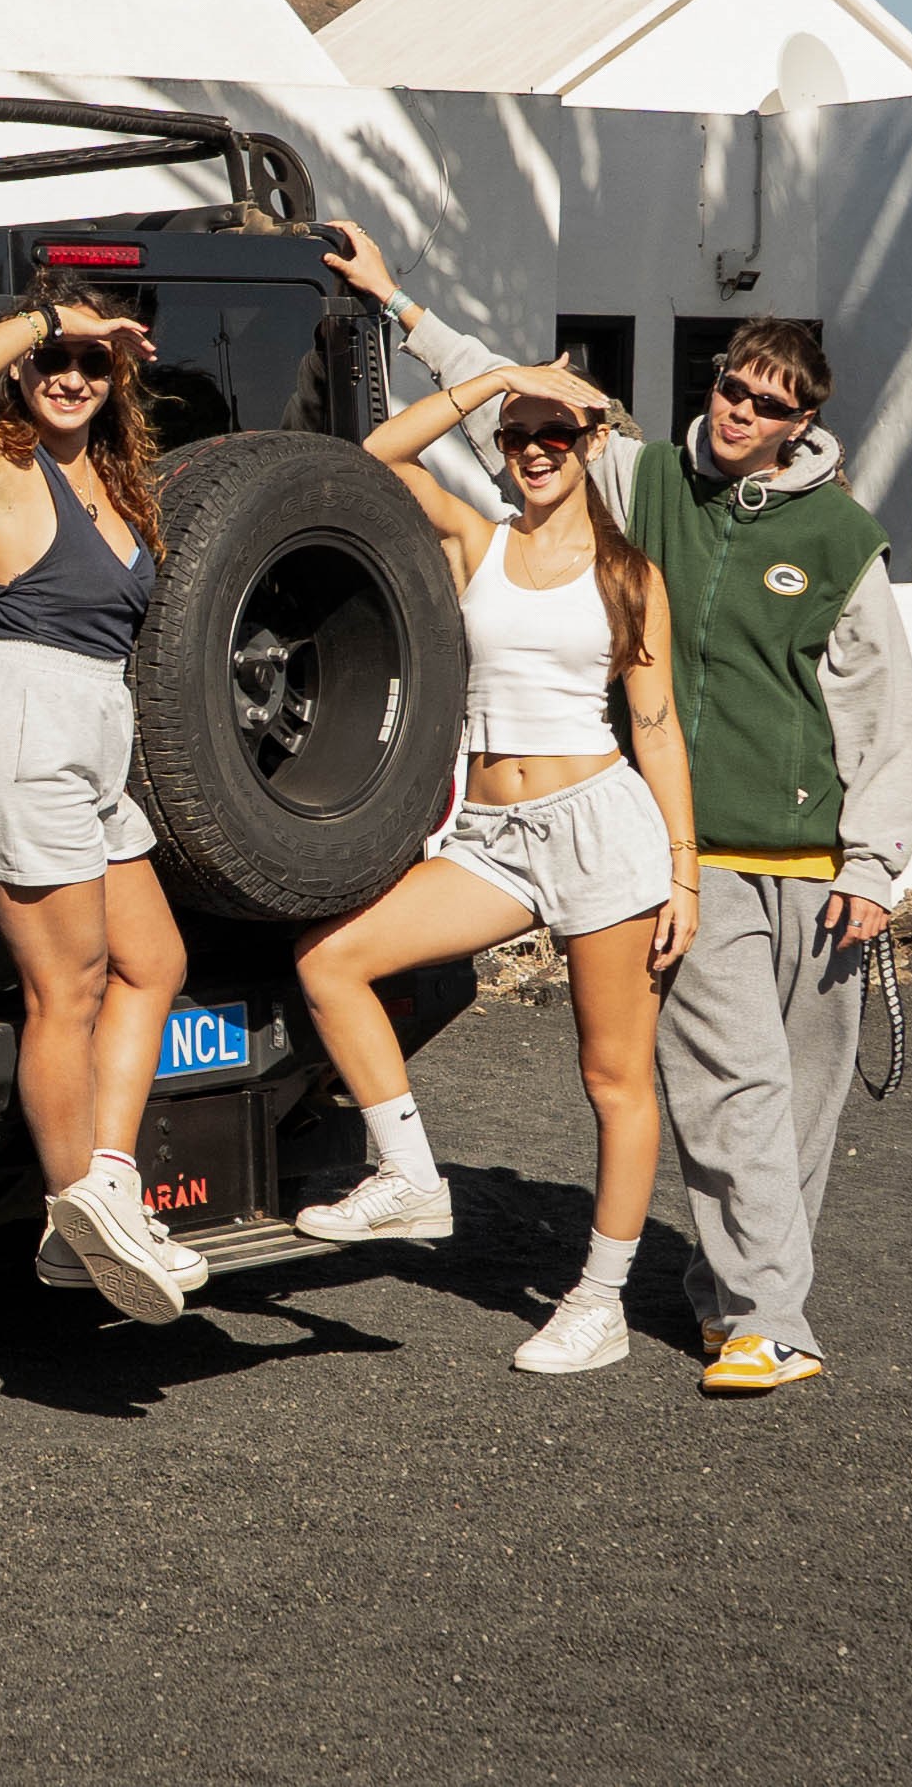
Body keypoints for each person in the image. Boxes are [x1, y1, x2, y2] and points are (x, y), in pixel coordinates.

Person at [329, 224, 912, 1395]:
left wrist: (873, 863)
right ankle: (772, 1321)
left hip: (816, 859)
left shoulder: (839, 537)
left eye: (767, 399)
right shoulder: (639, 474)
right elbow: (530, 408)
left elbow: (879, 706)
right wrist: (400, 306)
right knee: (729, 1088)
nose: (741, 407)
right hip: (673, 844)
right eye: (728, 383)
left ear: (801, 420)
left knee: (795, 1110)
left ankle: (732, 1295)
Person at [286, 342, 699, 1373]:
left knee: (610, 1079)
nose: (530, 450)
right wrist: (494, 382)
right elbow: (379, 453)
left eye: (550, 434)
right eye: (515, 437)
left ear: (588, 443)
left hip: (602, 829)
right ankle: (410, 1174)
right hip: (494, 837)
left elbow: (654, 727)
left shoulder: (626, 572)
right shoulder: (479, 540)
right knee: (329, 959)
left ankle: (596, 1299)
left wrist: (682, 871)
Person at [0, 283, 204, 1325]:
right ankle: (73, 1199)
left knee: (154, 962)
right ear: (25, 374)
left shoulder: (118, 486)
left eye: (91, 364)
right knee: (67, 987)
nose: (71, 378)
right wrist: (54, 316)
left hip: (90, 733)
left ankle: (101, 1189)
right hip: (21, 718)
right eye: (53, 364)